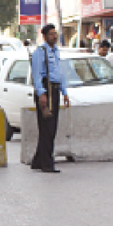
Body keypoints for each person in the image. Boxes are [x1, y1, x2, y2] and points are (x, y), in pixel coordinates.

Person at [30, 24, 69, 173]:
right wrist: (41, 94)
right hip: (46, 90)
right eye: (51, 34)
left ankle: (38, 161)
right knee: (47, 128)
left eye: (55, 33)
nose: (54, 36)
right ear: (45, 36)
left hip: (55, 89)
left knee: (51, 128)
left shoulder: (56, 51)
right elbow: (37, 74)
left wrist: (64, 92)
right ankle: (46, 163)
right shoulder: (40, 52)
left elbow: (60, 72)